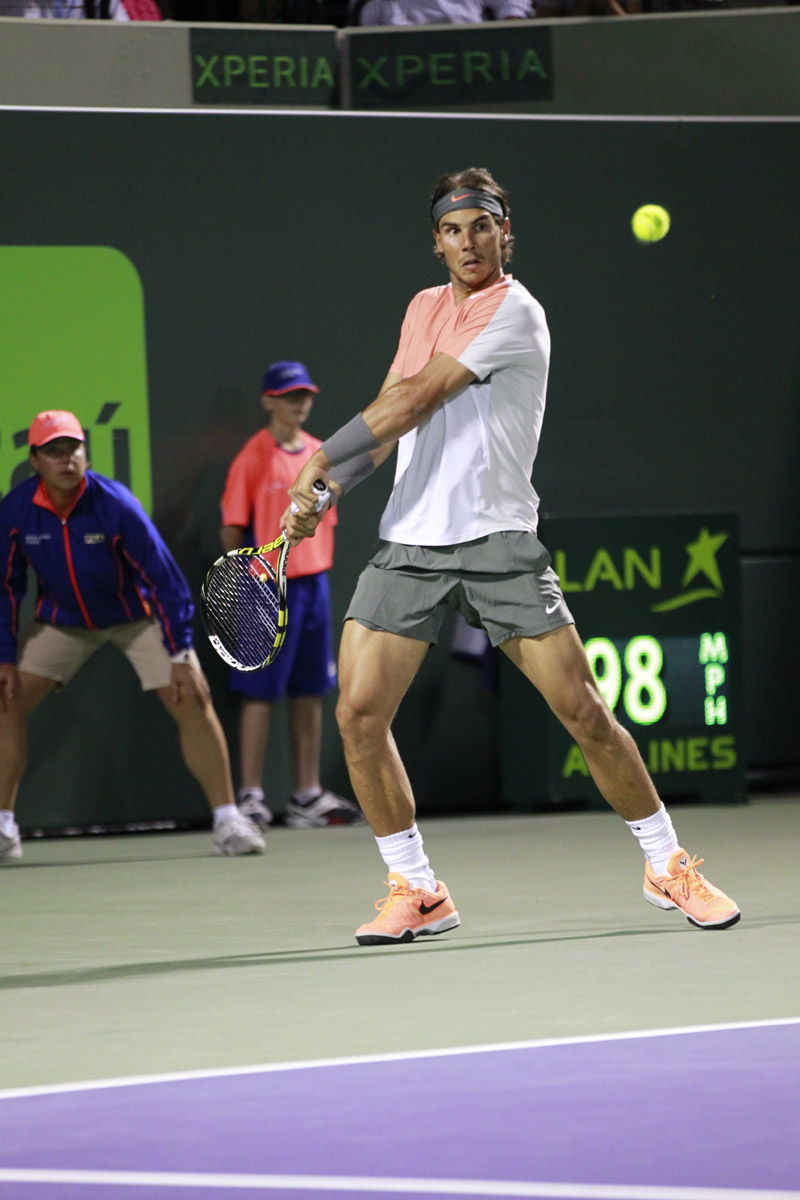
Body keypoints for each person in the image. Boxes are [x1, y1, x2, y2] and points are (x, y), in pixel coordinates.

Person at [284, 166, 741, 945]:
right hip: (412, 541)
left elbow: (419, 397)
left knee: (584, 711)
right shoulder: (423, 307)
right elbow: (390, 420)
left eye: (482, 226)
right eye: (453, 230)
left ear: (505, 234)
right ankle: (417, 888)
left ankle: (667, 864)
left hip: (497, 539)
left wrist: (319, 457)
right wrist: (331, 488)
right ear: (436, 243)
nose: (468, 242)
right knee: (358, 715)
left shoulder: (515, 310)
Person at [0, 410, 264, 864]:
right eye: (54, 452)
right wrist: (5, 657)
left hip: (134, 617)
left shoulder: (116, 504)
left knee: (191, 696)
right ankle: (4, 826)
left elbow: (166, 581)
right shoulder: (16, 509)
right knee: (5, 698)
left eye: (73, 449)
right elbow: (6, 587)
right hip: (62, 621)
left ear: (85, 453)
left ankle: (228, 820)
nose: (66, 459)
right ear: (35, 460)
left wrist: (180, 652)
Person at [219, 362, 365, 830]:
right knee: (259, 694)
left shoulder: (322, 455)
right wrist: (247, 579)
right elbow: (231, 527)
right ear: (269, 401)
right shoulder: (252, 457)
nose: (298, 404)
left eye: (304, 396)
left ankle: (306, 794)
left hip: (314, 586)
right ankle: (251, 796)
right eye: (288, 396)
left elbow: (324, 521)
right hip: (266, 587)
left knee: (310, 690)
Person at [349, 0, 531, 25]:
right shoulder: (374, 5)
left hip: (471, 51)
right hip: (405, 65)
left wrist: (512, 21)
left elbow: (512, 5)